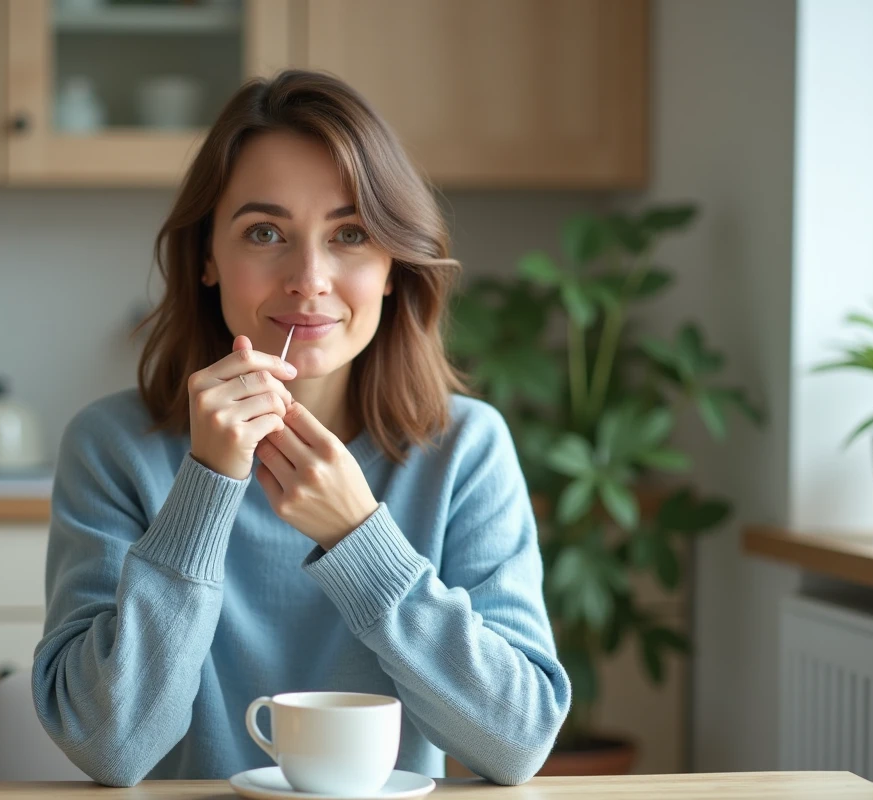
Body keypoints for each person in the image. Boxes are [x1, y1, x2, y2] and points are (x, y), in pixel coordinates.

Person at [31, 69, 570, 787]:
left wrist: (359, 538)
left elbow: (515, 743)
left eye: (349, 233)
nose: (309, 277)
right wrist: (206, 486)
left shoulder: (466, 450)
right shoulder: (111, 448)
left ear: (391, 266)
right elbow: (111, 745)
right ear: (207, 261)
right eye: (264, 232)